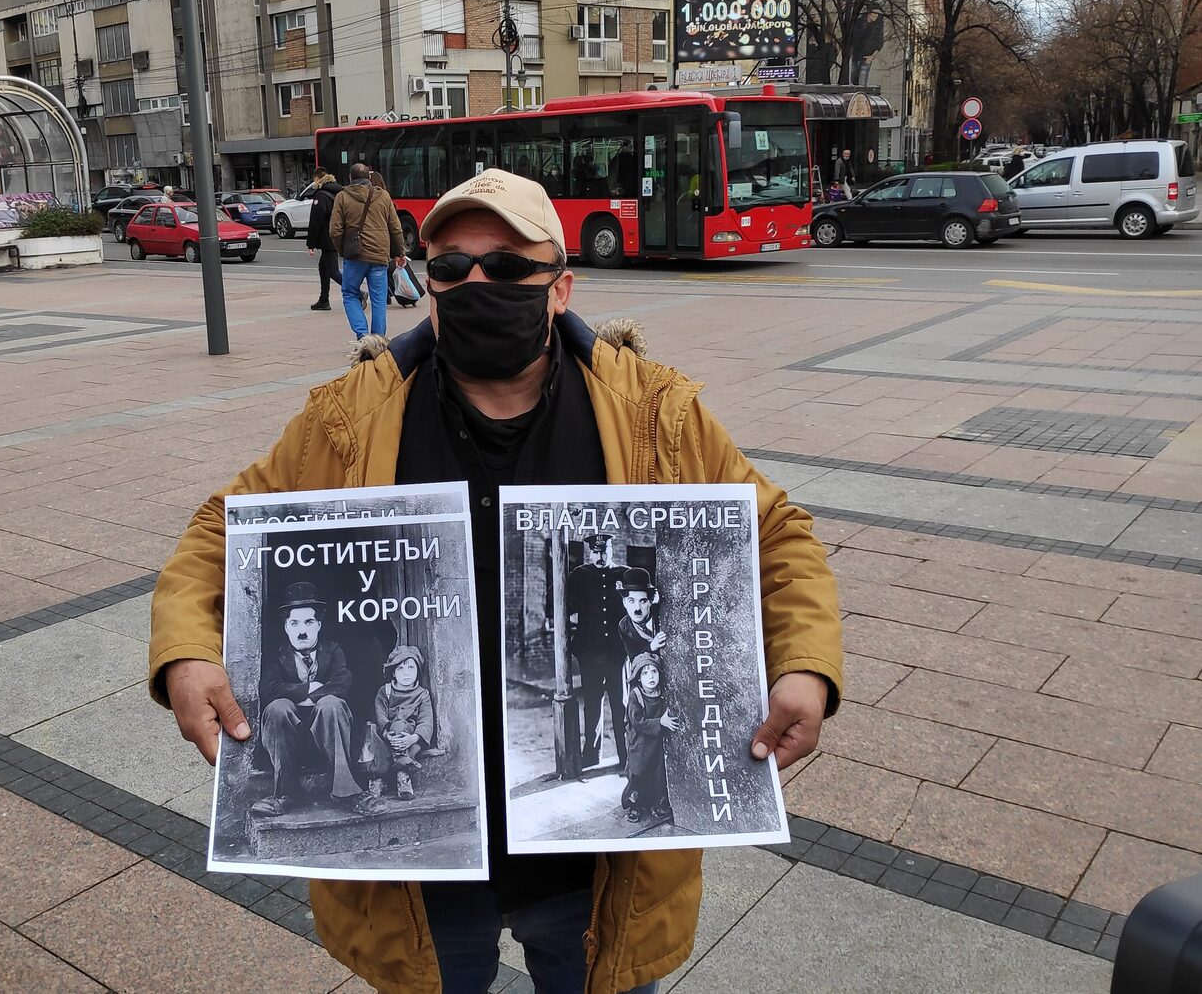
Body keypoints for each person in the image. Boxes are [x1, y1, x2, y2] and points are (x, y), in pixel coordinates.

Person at [150, 167, 843, 993]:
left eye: (510, 267)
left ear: (560, 287)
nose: (479, 284)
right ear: (429, 286)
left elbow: (776, 531)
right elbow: (219, 529)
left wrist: (806, 664)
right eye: (450, 268)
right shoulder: (350, 416)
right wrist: (187, 652)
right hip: (427, 885)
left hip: (599, 877)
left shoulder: (655, 412)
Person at [252, 580, 373, 818]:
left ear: (319, 624)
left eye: (308, 622)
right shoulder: (277, 655)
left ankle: (346, 791)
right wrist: (307, 690)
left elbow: (343, 683)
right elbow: (268, 689)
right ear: (286, 627)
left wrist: (316, 697)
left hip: (330, 740)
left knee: (331, 703)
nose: (302, 630)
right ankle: (284, 793)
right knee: (277, 708)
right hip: (289, 743)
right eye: (294, 623)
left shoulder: (333, 649)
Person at [566, 532, 630, 771]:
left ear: (612, 551)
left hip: (616, 652)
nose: (600, 557)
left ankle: (625, 756)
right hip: (590, 652)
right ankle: (591, 755)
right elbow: (560, 595)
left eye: (604, 552)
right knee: (591, 703)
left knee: (620, 704)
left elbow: (643, 594)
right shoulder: (580, 575)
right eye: (596, 552)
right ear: (590, 552)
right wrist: (571, 613)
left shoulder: (624, 573)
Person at [329, 162, 405, 343]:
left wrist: (343, 249)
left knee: (349, 293)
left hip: (354, 255)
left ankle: (363, 337)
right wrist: (399, 251)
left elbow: (334, 230)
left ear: (350, 178)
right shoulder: (383, 196)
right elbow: (395, 227)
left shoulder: (342, 197)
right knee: (379, 300)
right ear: (369, 178)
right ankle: (378, 340)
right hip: (379, 255)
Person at [361, 643, 434, 801]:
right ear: (393, 673)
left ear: (418, 671)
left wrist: (412, 739)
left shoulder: (422, 694)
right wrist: (388, 735)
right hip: (387, 739)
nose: (406, 673)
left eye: (411, 668)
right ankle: (381, 779)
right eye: (400, 669)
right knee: (375, 740)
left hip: (409, 741)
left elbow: (426, 721)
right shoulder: (385, 691)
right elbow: (379, 715)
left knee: (402, 724)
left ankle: (403, 776)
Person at [621, 653, 678, 825]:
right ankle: (635, 805)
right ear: (638, 678)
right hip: (639, 743)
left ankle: (657, 804)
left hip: (656, 742)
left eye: (654, 671)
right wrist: (660, 722)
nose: (650, 676)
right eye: (644, 673)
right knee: (639, 774)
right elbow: (637, 722)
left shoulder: (662, 694)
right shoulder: (635, 695)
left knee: (657, 774)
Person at [305, 168, 344, 312]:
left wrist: (311, 243)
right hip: (338, 235)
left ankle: (357, 293)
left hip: (327, 239)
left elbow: (316, 221)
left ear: (316, 178)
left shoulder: (321, 195)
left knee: (333, 271)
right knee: (323, 268)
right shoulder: (340, 192)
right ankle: (323, 299)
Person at [616, 567, 665, 662]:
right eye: (631, 601)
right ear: (624, 602)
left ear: (651, 601)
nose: (637, 608)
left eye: (643, 601)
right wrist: (651, 647)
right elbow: (634, 657)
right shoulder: (624, 626)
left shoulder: (662, 616)